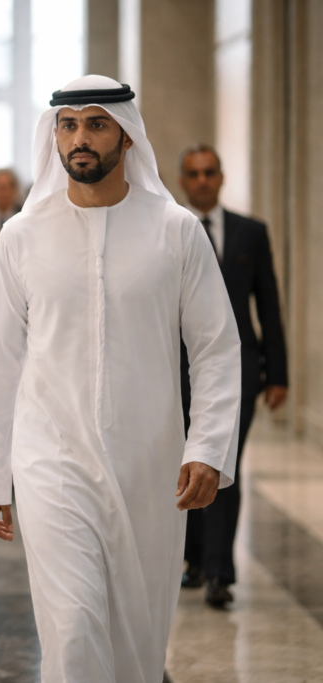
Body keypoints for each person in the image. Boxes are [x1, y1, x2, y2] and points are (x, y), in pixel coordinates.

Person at [0, 75, 242, 683]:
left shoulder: (176, 231)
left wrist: (207, 447)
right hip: (50, 461)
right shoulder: (22, 235)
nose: (80, 139)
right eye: (68, 126)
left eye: (96, 124)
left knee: (138, 642)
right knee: (71, 632)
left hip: (151, 465)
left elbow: (217, 347)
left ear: (126, 136)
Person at [177, 143, 288, 607]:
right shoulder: (171, 231)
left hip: (241, 372)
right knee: (187, 466)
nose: (203, 180)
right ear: (183, 181)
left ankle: (220, 571)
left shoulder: (250, 232)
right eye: (194, 174)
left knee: (223, 465)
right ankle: (196, 559)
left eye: (210, 172)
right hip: (179, 371)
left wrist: (278, 374)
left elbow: (269, 305)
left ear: (221, 178)